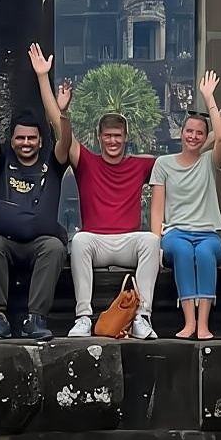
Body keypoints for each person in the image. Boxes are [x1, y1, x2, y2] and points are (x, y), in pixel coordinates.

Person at [0, 43, 73, 340]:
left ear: (41, 141)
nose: (26, 143)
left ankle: (36, 318)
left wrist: (63, 112)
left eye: (32, 138)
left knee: (55, 248)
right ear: (12, 139)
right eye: (20, 138)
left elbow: (65, 141)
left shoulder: (52, 163)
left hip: (40, 242)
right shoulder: (2, 157)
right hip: (6, 240)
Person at [150, 71, 221, 340]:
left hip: (208, 234)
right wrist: (155, 245)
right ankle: (188, 322)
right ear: (181, 133)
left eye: (199, 133)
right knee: (181, 251)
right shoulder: (163, 164)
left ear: (205, 136)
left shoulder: (209, 161)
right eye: (189, 131)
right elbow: (156, 209)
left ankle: (203, 324)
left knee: (203, 254)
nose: (193, 136)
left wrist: (208, 97)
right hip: (176, 233)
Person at [66, 112, 159, 339]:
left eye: (117, 136)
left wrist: (217, 134)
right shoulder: (86, 161)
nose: (112, 141)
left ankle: (141, 317)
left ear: (125, 137)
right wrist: (59, 108)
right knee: (79, 240)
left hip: (128, 241)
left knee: (152, 240)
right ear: (99, 138)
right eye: (107, 136)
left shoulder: (139, 165)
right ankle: (83, 318)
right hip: (96, 242)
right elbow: (63, 135)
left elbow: (184, 159)